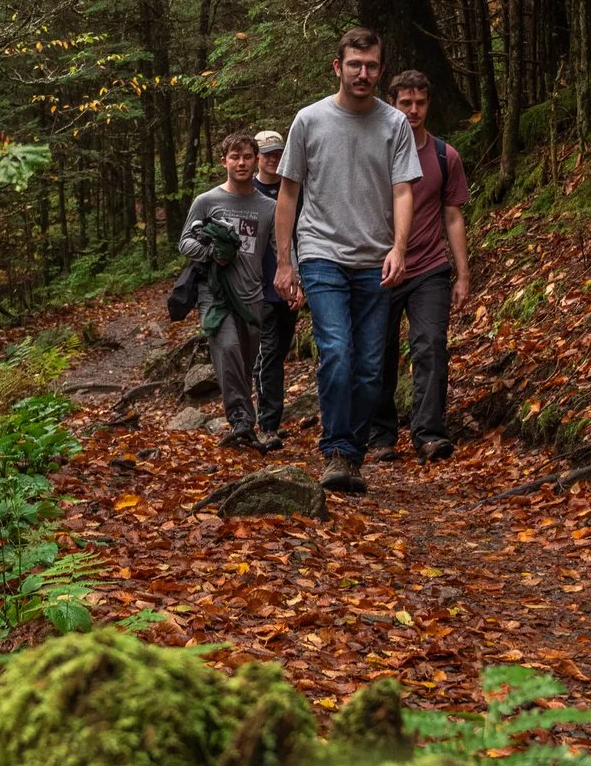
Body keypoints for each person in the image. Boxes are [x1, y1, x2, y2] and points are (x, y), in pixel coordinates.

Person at [273, 26, 421, 495]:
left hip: (375, 258)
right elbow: (288, 192)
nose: (363, 74)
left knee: (372, 367)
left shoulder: (394, 124)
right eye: (354, 65)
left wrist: (399, 246)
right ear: (338, 67)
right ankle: (337, 450)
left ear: (381, 68)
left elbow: (403, 189)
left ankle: (351, 453)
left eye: (372, 66)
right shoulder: (309, 121)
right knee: (336, 351)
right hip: (321, 253)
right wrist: (285, 261)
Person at [361, 70, 470, 463]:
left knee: (430, 346)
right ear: (391, 103)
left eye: (420, 103)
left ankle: (428, 433)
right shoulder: (374, 151)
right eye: (405, 103)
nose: (413, 110)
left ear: (429, 104)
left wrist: (463, 274)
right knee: (378, 353)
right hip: (378, 269)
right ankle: (381, 435)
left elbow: (453, 216)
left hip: (430, 269)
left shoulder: (445, 155)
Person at [177, 131, 279, 448]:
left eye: (248, 156)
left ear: (256, 160)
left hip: (252, 297)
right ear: (224, 162)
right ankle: (242, 422)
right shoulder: (207, 202)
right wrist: (212, 254)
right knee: (228, 349)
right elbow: (185, 242)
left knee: (243, 364)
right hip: (216, 296)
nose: (242, 163)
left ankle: (244, 426)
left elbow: (280, 249)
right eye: (235, 157)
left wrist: (294, 280)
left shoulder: (269, 207)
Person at [250, 128, 298, 450]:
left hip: (290, 287)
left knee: (277, 354)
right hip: (259, 289)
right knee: (268, 355)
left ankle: (269, 418)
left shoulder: (293, 189)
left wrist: (301, 280)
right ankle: (267, 425)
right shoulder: (245, 190)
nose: (273, 159)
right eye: (267, 153)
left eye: (278, 153)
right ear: (257, 157)